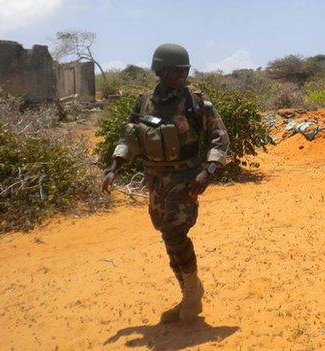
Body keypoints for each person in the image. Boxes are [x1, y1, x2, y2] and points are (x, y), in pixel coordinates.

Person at [101, 43, 229, 322]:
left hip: (186, 178)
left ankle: (193, 293)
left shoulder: (196, 101)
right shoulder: (144, 101)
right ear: (160, 70)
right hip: (155, 180)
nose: (181, 76)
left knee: (175, 233)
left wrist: (207, 171)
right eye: (175, 71)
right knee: (167, 236)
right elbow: (129, 138)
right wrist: (113, 168)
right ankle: (188, 295)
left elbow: (220, 137)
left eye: (185, 70)